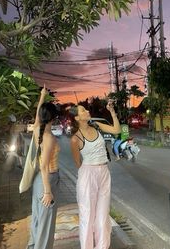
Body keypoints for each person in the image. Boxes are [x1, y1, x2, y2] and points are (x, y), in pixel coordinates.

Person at [70, 100, 121, 249]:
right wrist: (89, 172)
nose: (87, 111)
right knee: (87, 217)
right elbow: (78, 163)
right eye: (83, 111)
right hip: (87, 175)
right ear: (77, 118)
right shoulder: (75, 139)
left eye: (86, 109)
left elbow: (116, 130)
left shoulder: (97, 126)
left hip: (104, 172)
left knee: (103, 216)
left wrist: (112, 112)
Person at [27, 85, 60, 249]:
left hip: (38, 181)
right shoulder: (49, 137)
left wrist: (42, 96)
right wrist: (48, 191)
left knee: (38, 219)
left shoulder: (38, 129)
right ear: (53, 118)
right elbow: (45, 166)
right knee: (46, 225)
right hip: (47, 180)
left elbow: (37, 116)